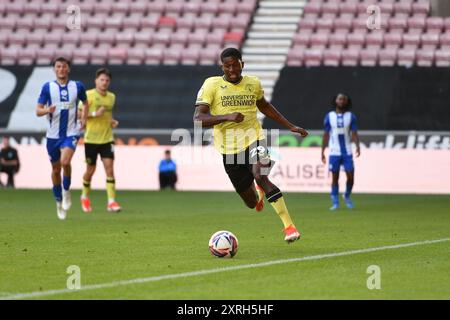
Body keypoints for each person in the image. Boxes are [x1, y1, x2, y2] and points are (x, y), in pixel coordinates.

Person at [193, 48, 309, 243]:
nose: (232, 69)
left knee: (260, 175)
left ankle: (289, 227)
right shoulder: (211, 85)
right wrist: (227, 116)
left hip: (254, 139)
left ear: (242, 64)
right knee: (251, 202)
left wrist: (290, 126)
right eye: (227, 66)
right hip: (228, 150)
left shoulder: (253, 83)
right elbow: (198, 118)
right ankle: (258, 193)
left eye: (235, 65)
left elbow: (264, 106)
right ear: (221, 66)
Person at [36, 57, 88, 220]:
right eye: (58, 66)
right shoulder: (48, 87)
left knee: (65, 162)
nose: (61, 69)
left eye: (64, 66)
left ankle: (66, 191)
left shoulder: (77, 86)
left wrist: (84, 119)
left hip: (71, 133)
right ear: (54, 69)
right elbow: (38, 110)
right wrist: (47, 110)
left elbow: (85, 103)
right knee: (56, 169)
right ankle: (58, 201)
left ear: (68, 69)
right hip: (53, 136)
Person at [80, 68, 121, 213]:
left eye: (107, 80)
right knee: (90, 170)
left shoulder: (111, 97)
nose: (104, 83)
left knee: (110, 169)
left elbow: (108, 115)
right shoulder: (88, 95)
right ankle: (84, 196)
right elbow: (79, 114)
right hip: (91, 139)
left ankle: (111, 202)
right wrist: (94, 113)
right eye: (102, 80)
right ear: (96, 81)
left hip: (107, 139)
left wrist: (112, 121)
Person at [321, 93, 361, 211]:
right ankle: (335, 202)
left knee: (351, 176)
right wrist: (322, 151)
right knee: (335, 177)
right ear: (336, 101)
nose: (342, 101)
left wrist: (358, 146)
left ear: (347, 102)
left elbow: (354, 133)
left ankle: (347, 195)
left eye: (344, 99)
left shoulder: (351, 116)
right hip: (334, 151)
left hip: (347, 151)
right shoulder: (329, 116)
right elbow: (326, 135)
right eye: (340, 99)